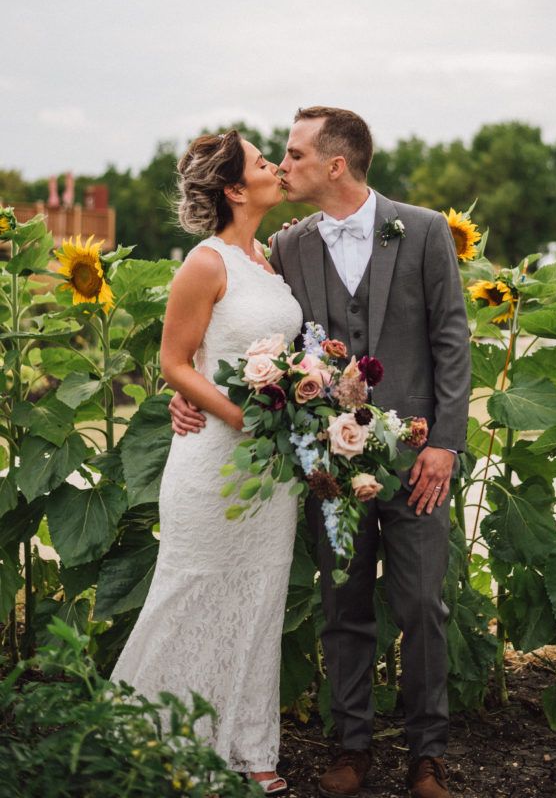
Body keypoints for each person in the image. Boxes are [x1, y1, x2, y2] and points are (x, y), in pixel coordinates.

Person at [170, 107, 470, 798]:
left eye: (296, 154)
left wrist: (445, 444)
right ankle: (351, 748)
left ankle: (429, 756)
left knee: (424, 605)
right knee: (344, 606)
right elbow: (239, 333)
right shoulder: (289, 246)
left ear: (336, 164)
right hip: (329, 464)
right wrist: (178, 388)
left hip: (418, 459)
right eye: (276, 156)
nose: (284, 164)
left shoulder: (423, 231)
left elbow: (453, 342)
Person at [113, 131, 303, 795]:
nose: (276, 167)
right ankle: (153, 741)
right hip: (215, 460)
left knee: (260, 597)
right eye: (261, 162)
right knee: (192, 594)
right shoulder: (206, 262)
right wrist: (239, 416)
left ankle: (251, 750)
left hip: (271, 470)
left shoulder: (273, 259)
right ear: (231, 188)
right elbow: (174, 362)